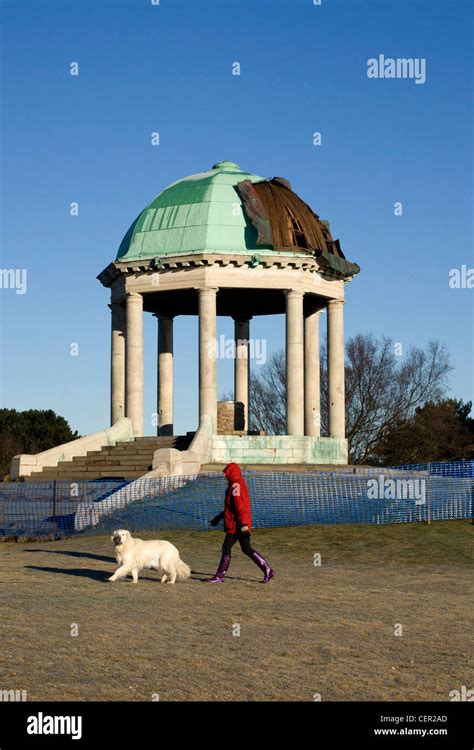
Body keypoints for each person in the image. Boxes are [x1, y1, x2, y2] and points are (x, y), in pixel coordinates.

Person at [206, 462, 276, 584]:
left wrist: (243, 524)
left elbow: (240, 506)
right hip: (237, 523)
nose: (225, 476)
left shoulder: (236, 485)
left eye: (227, 474)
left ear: (232, 473)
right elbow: (231, 509)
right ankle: (268, 570)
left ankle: (220, 576)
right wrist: (218, 518)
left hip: (237, 524)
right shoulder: (234, 485)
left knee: (227, 547)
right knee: (246, 548)